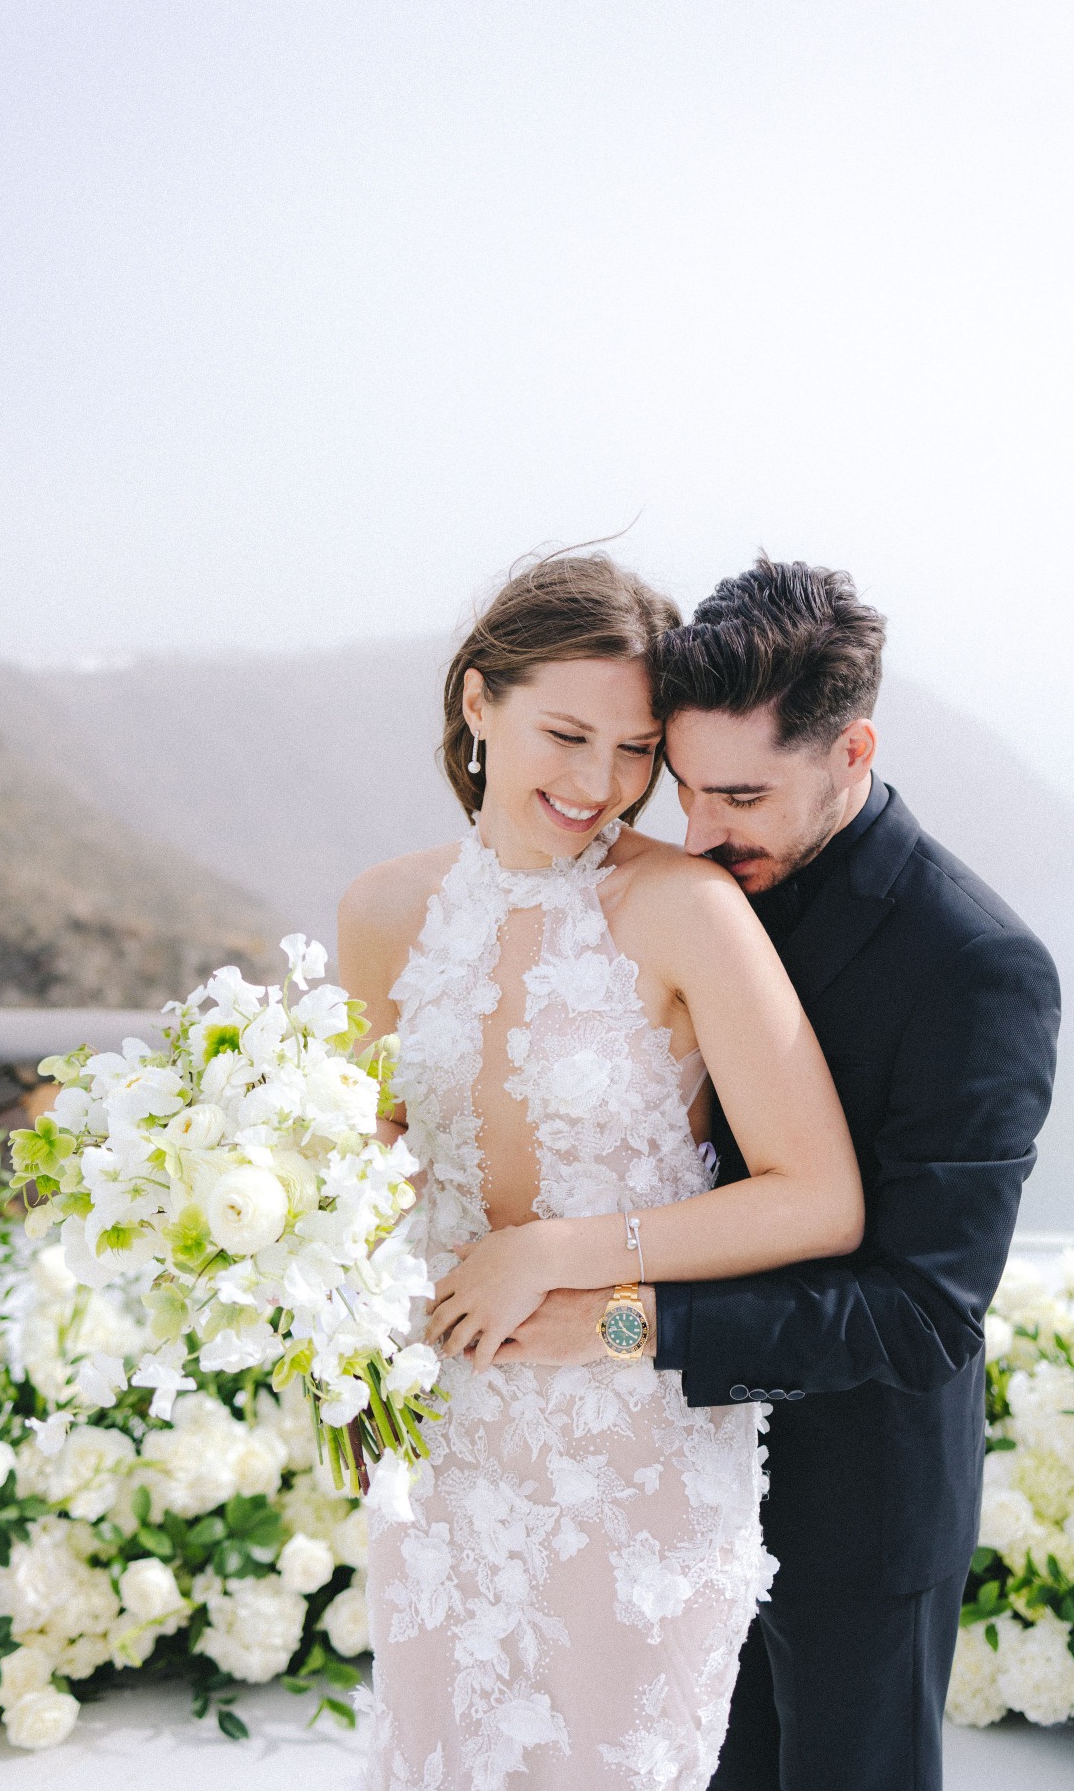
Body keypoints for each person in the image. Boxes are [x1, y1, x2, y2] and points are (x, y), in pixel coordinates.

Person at [492, 557, 1062, 1791]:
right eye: (684, 788)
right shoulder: (670, 892)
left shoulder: (978, 968)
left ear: (852, 752)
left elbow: (923, 1313)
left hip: (854, 1510)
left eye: (742, 794)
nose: (700, 833)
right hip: (657, 1484)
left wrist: (630, 1322)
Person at [339, 552, 866, 1790]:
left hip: (634, 1450)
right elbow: (365, 1184)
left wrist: (563, 1257)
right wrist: (350, 1354)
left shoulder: (686, 908)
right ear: (479, 704)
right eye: (566, 734)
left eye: (636, 751)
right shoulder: (379, 912)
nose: (600, 784)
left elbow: (819, 1196)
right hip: (444, 1443)